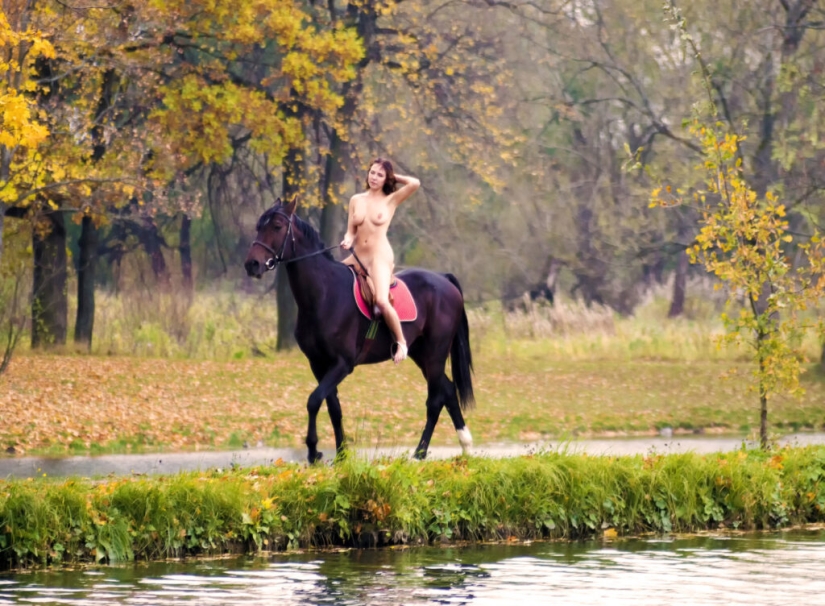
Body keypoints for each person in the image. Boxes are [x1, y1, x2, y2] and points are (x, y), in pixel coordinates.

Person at [340, 158, 420, 364]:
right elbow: (350, 231)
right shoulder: (356, 200)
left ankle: (401, 342)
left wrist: (394, 176)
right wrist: (347, 240)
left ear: (386, 179)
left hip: (379, 257)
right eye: (372, 173)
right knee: (332, 284)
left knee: (382, 301)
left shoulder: (391, 200)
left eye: (380, 175)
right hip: (357, 256)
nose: (374, 177)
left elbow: (415, 184)